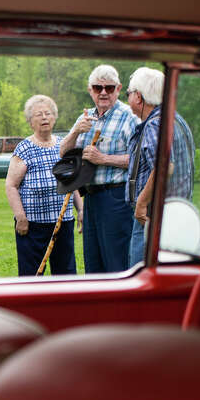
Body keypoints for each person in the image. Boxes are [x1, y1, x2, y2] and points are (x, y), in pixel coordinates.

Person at [58, 64, 137, 273]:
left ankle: (119, 304)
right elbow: (63, 153)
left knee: (116, 261)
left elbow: (139, 160)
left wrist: (103, 158)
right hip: (90, 199)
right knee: (93, 262)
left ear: (119, 89)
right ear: (90, 90)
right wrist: (76, 131)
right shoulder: (84, 118)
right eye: (97, 88)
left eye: (109, 88)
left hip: (116, 198)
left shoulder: (128, 117)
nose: (103, 93)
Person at [125, 67, 196, 267]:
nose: (128, 98)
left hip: (152, 218)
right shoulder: (176, 119)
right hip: (176, 215)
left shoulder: (154, 124)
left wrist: (141, 202)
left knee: (142, 277)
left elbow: (165, 167)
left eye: (128, 93)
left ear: (138, 97)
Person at [5, 95, 79, 276]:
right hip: (33, 225)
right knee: (31, 274)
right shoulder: (24, 148)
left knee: (66, 272)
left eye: (48, 113)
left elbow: (72, 182)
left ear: (54, 117)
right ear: (30, 122)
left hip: (63, 222)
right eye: (39, 114)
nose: (44, 117)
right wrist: (20, 217)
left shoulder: (63, 145)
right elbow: (11, 185)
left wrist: (81, 210)